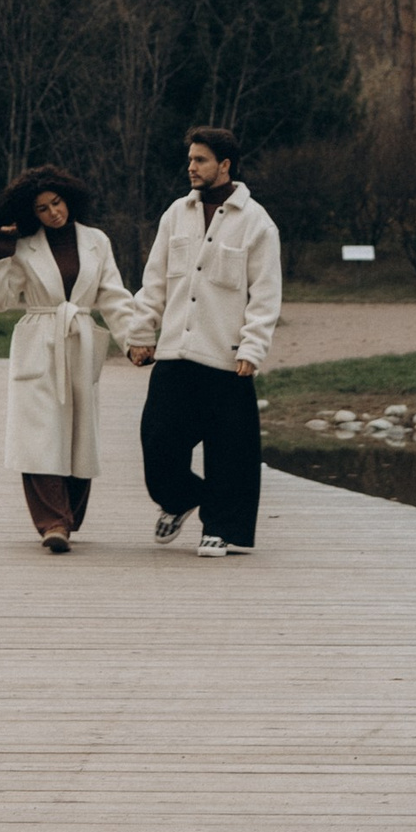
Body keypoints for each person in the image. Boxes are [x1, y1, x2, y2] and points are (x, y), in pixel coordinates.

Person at [123, 127, 282, 556]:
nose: (191, 167)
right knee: (157, 442)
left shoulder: (257, 223)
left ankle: (222, 527)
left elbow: (265, 295)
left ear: (224, 165)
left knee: (230, 451)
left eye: (200, 160)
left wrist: (252, 348)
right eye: (191, 159)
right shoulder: (176, 213)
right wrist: (140, 333)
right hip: (175, 351)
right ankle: (179, 499)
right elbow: (154, 280)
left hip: (226, 357)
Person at [0, 167, 136, 552]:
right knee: (38, 433)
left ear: (69, 198)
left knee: (81, 432)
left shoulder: (96, 241)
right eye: (42, 208)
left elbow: (113, 295)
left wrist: (135, 340)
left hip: (79, 337)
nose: (53, 213)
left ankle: (69, 516)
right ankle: (53, 523)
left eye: (57, 202)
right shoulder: (25, 244)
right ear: (31, 213)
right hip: (38, 338)